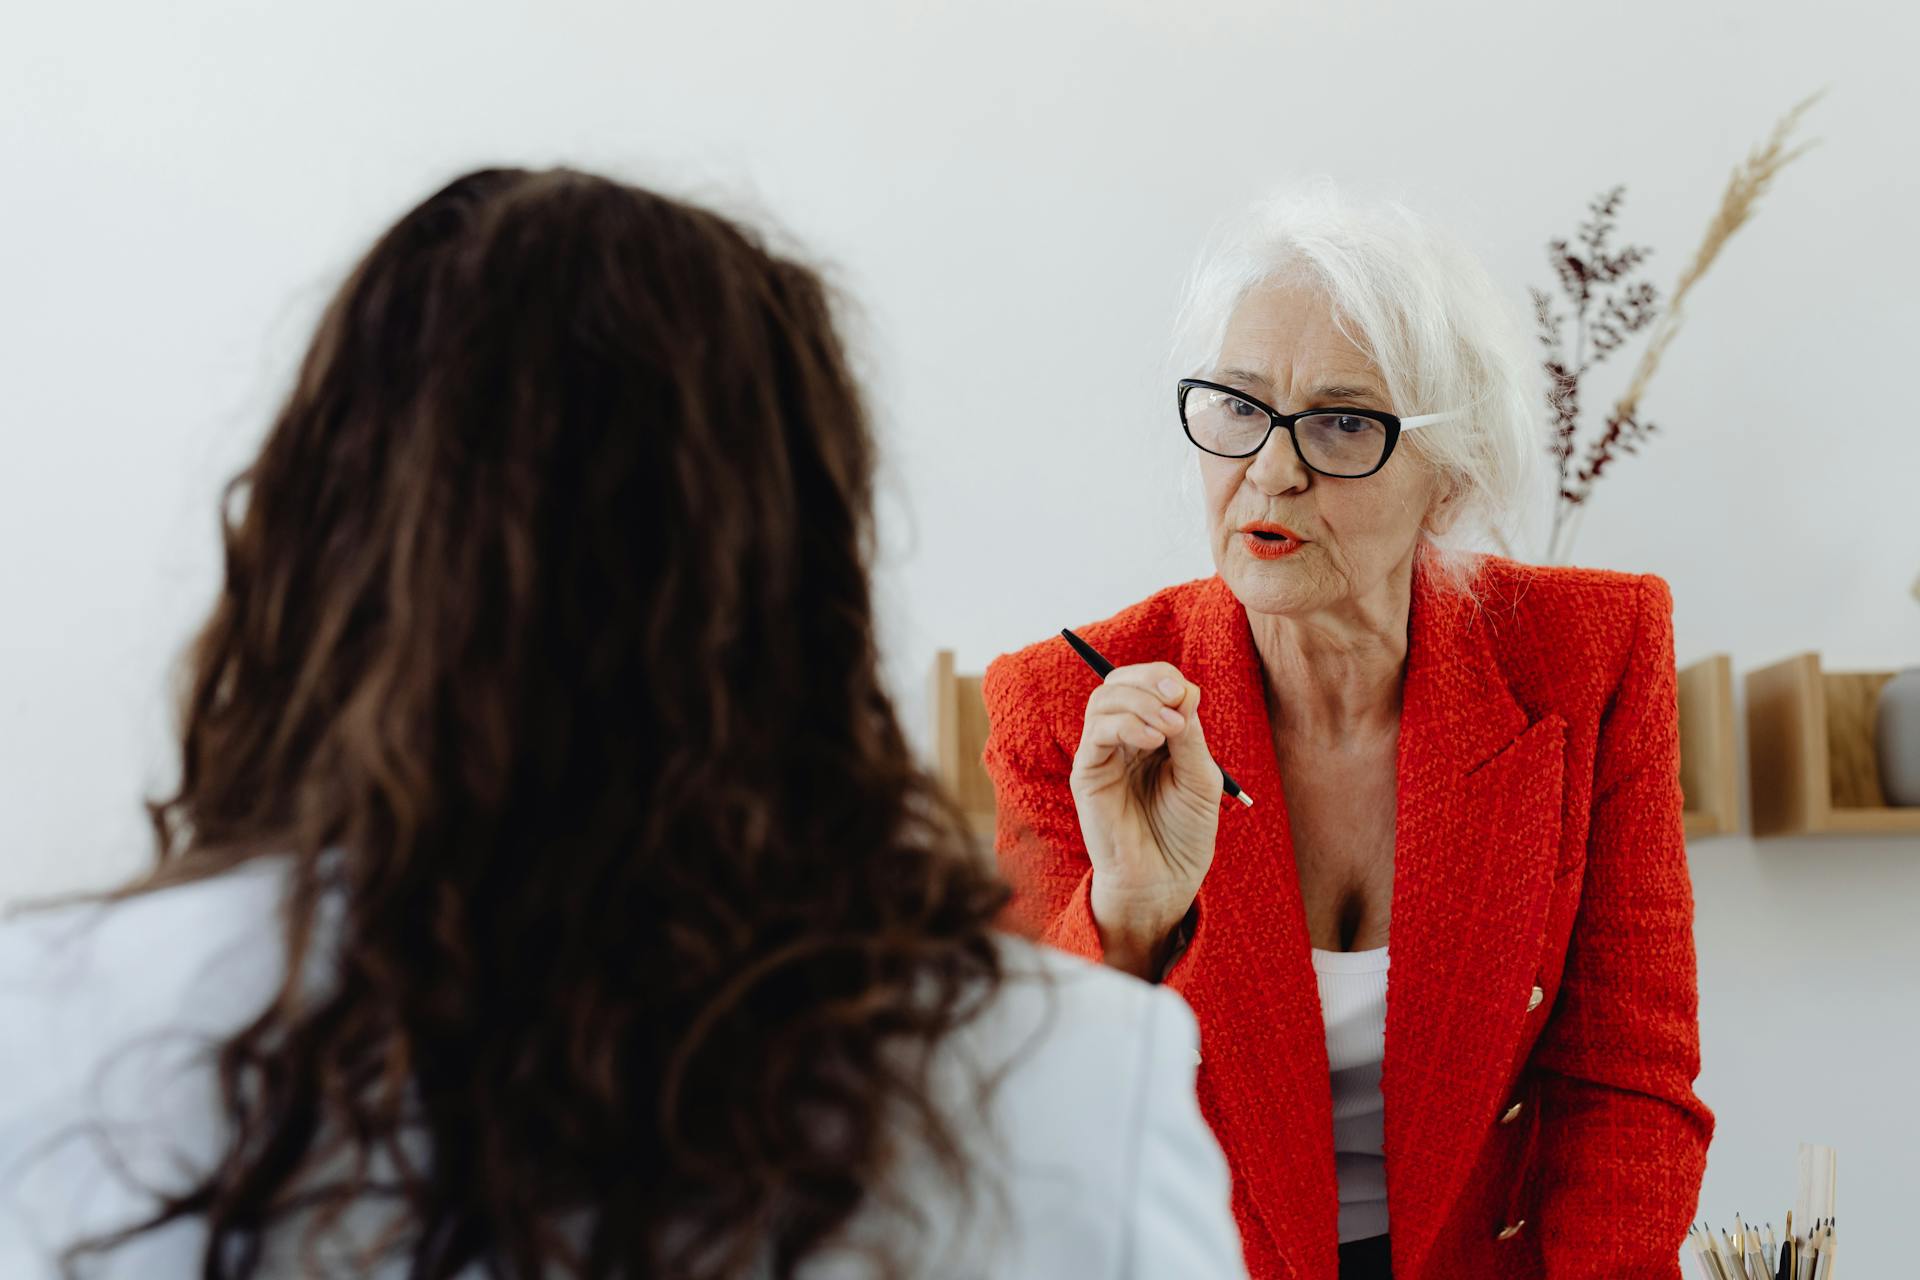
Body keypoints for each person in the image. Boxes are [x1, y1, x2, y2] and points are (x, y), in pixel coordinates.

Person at [0, 167, 1245, 1280]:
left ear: (313, 544)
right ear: (805, 590)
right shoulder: (1071, 1085)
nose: (1274, 473)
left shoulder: (52, 1028)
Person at [983, 184, 1713, 1280]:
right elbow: (1024, 1118)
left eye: (1340, 422)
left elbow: (1624, 1080)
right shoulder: (1068, 703)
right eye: (1236, 405)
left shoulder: (1590, 656)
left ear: (1449, 475)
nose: (1271, 470)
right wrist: (1128, 919)